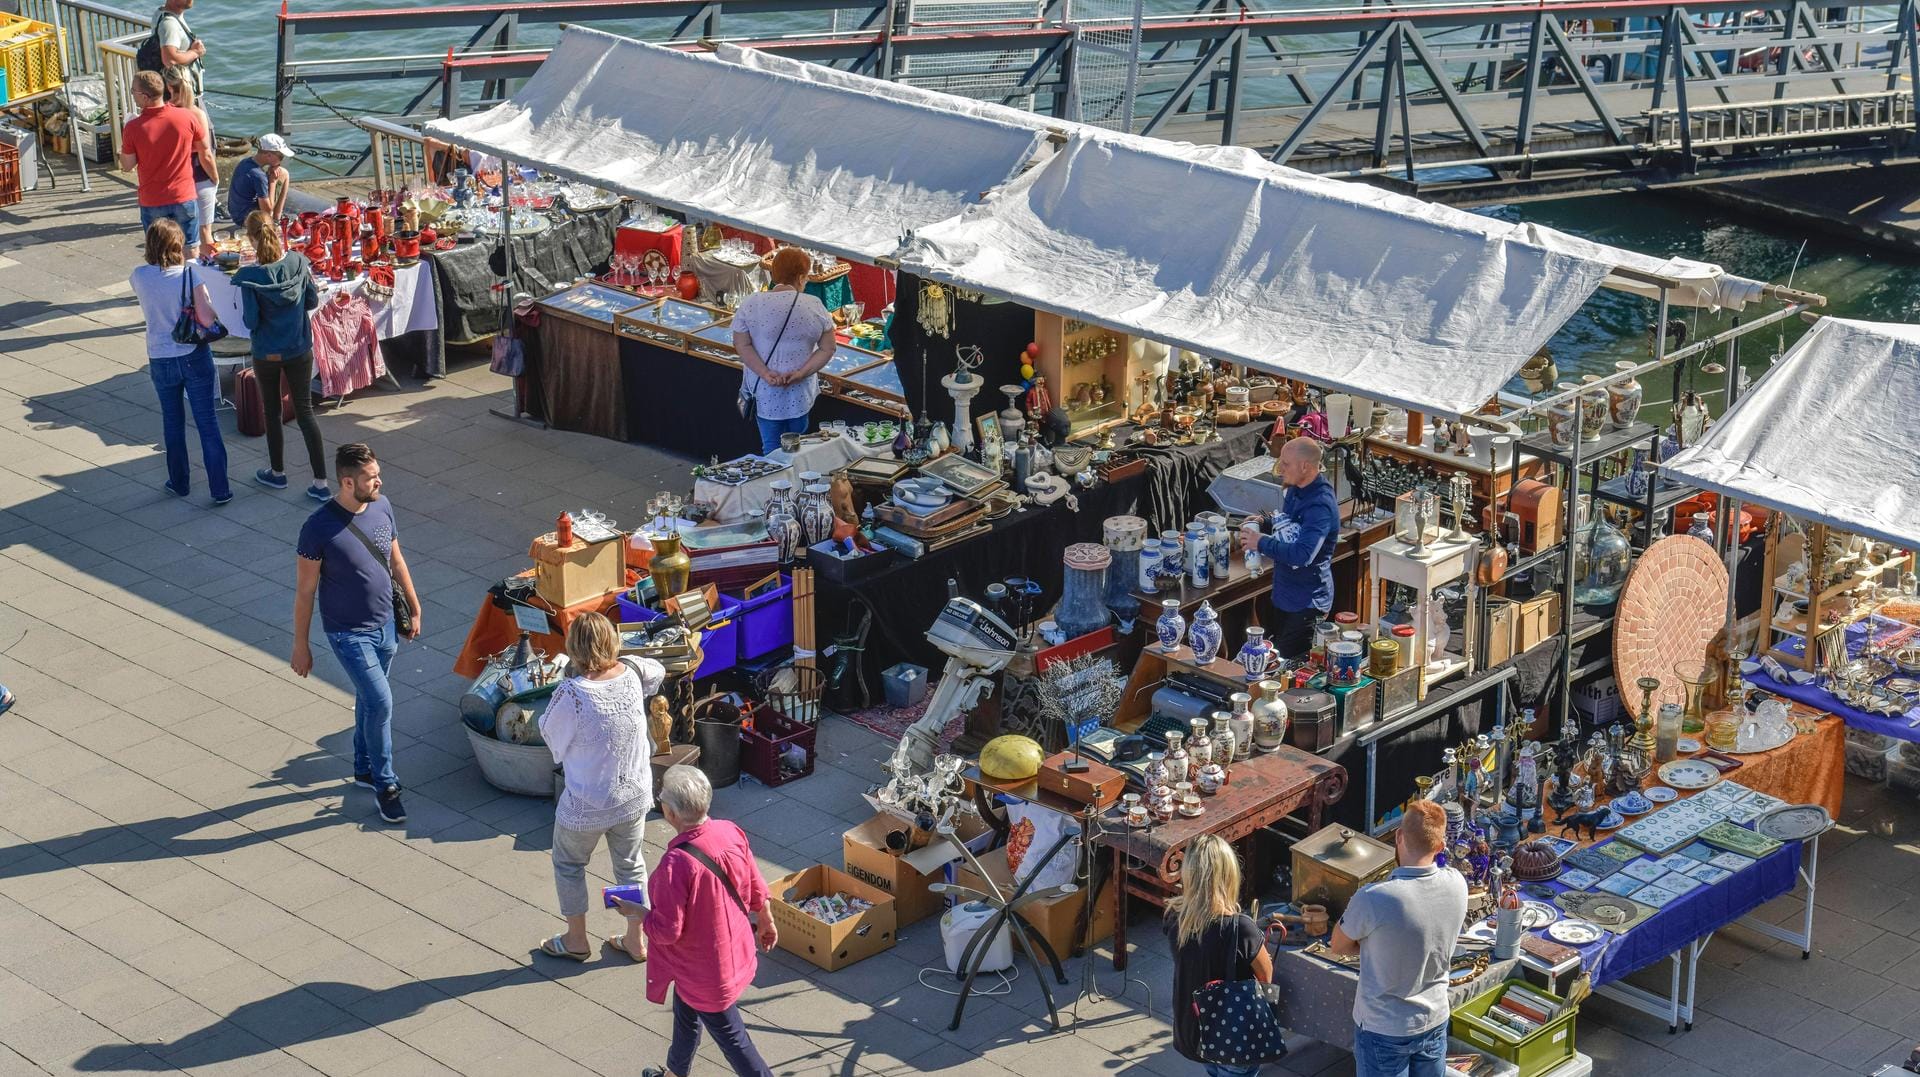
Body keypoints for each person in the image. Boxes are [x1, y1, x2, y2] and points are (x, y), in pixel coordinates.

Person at [291, 442, 421, 825]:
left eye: (377, 473)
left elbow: (396, 560)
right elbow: (305, 591)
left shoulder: (382, 506)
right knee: (381, 702)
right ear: (347, 482)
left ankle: (363, 767)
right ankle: (386, 785)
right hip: (348, 634)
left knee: (369, 699)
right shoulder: (317, 528)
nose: (378, 480)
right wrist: (301, 644)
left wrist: (413, 606)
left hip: (385, 625)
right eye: (369, 477)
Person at [620, 766, 778, 1077]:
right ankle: (676, 1071)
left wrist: (639, 914)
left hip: (706, 971)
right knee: (685, 1012)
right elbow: (755, 880)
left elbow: (667, 931)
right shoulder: (730, 831)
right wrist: (766, 918)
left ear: (670, 813)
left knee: (734, 1040)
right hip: (729, 951)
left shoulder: (675, 864)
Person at [538, 613, 666, 963]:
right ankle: (635, 938)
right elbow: (659, 672)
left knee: (569, 864)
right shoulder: (633, 673)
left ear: (574, 648)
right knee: (629, 866)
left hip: (588, 801)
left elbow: (550, 734)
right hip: (632, 795)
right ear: (612, 641)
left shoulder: (571, 692)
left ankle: (577, 939)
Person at [1328, 800, 1468, 1077]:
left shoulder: (1374, 897)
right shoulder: (1457, 883)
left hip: (1384, 1026)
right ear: (1440, 847)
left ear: (1399, 837)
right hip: (1434, 1017)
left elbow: (1338, 946)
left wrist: (1373, 946)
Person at [128, 219, 231, 505]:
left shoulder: (139, 276)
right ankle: (220, 489)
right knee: (207, 422)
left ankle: (179, 482)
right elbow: (207, 318)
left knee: (172, 422)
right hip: (193, 355)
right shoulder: (190, 276)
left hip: (160, 357)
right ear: (177, 245)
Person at [234, 210, 329, 499]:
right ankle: (321, 483)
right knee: (305, 412)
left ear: (251, 239)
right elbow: (312, 300)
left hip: (267, 353)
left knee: (272, 412)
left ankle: (277, 473)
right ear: (275, 231)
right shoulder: (298, 262)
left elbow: (250, 321)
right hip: (299, 348)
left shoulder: (249, 277)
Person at [1164, 834, 1274, 1077]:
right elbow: (1266, 975)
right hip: (1233, 1034)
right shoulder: (1240, 927)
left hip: (1194, 1030)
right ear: (1228, 875)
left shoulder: (1175, 919)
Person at [731, 246, 838, 454]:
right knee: (798, 448)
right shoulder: (814, 305)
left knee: (770, 446)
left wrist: (765, 373)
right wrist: (800, 373)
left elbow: (741, 344)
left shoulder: (752, 303)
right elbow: (828, 347)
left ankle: (775, 485)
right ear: (800, 278)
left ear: (774, 274)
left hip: (764, 390)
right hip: (799, 392)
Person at [1239, 436, 1340, 659]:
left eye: (1286, 463)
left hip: (1307, 602)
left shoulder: (1320, 506)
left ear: (1305, 466)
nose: (1280, 469)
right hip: (1284, 594)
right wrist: (1264, 522)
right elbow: (1289, 523)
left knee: (1287, 663)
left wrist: (1260, 542)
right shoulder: (1295, 488)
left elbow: (1302, 554)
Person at [119, 70, 213, 241]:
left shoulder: (133, 127)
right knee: (190, 248)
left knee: (159, 253)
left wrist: (125, 135)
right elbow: (203, 148)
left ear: (144, 96)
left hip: (153, 199)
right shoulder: (187, 116)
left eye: (133, 91)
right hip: (184, 195)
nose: (132, 95)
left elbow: (127, 165)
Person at [162, 67, 218, 260]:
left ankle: (180, 278)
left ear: (168, 87)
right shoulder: (197, 114)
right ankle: (211, 277)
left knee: (177, 236)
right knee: (204, 231)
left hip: (175, 180)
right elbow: (206, 154)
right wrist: (215, 177)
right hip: (200, 177)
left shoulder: (164, 114)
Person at [227, 134, 293, 235]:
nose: (282, 159)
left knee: (281, 172)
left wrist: (275, 166)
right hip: (249, 221)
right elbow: (267, 209)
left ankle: (275, 220)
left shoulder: (245, 163)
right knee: (284, 173)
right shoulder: (259, 176)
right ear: (269, 155)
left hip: (236, 215)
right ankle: (275, 221)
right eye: (280, 156)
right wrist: (273, 181)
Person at [153, 0, 204, 95]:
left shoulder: (162, 12)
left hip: (176, 89)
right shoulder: (169, 24)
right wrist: (195, 52)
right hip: (178, 93)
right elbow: (170, 60)